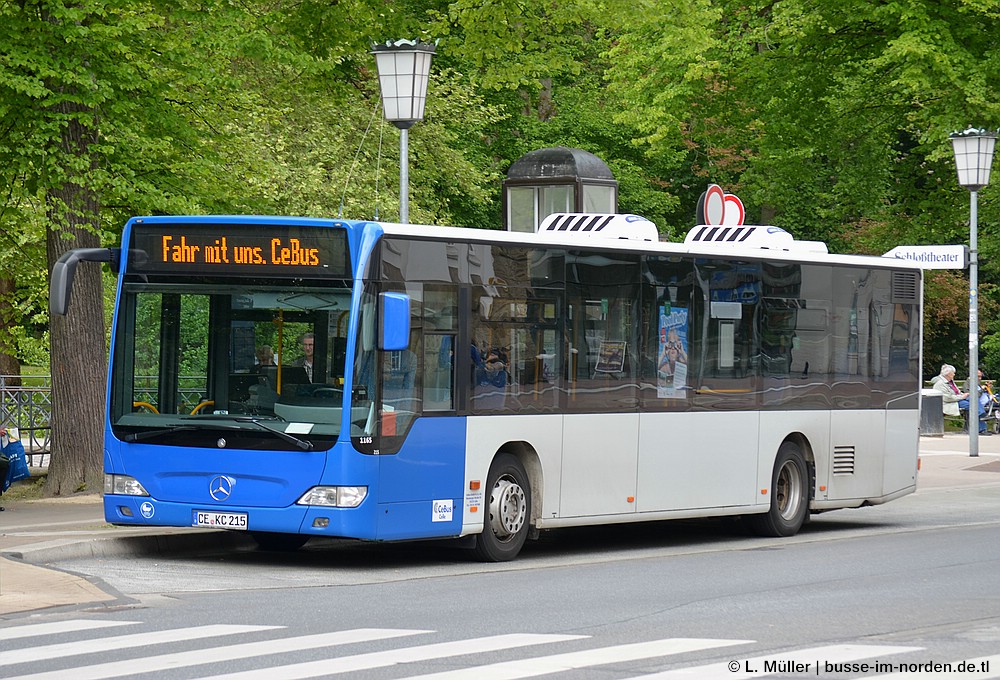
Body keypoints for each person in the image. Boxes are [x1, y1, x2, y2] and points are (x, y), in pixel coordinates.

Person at [933, 364, 988, 434]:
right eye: (953, 373)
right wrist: (961, 397)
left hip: (958, 399)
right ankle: (982, 423)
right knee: (973, 406)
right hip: (951, 402)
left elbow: (957, 392)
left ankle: (981, 420)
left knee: (974, 399)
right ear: (948, 374)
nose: (954, 374)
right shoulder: (940, 384)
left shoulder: (950, 382)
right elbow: (947, 398)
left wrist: (964, 395)